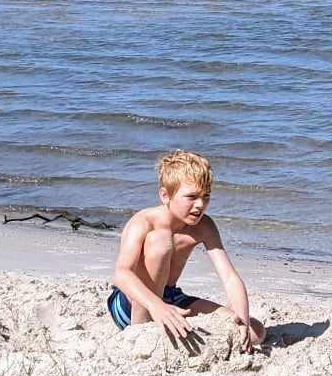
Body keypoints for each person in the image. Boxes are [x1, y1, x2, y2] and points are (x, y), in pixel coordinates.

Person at [108, 150, 265, 352]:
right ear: (165, 195)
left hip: (171, 296)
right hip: (132, 301)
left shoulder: (204, 226)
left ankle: (168, 321)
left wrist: (242, 319)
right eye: (191, 197)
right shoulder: (143, 222)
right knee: (160, 240)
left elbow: (228, 276)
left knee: (254, 332)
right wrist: (157, 306)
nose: (200, 205)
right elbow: (121, 274)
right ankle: (142, 332)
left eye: (205, 196)